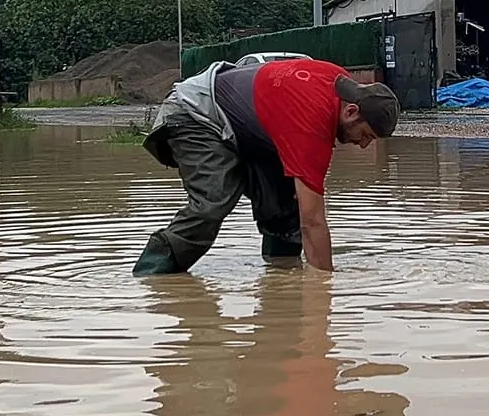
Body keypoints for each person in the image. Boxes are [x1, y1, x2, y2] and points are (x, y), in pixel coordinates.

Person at [132, 55, 400, 275]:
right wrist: (325, 288)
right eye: (365, 135)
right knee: (214, 200)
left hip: (247, 131)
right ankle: (150, 275)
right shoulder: (311, 120)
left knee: (286, 205)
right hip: (197, 113)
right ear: (351, 112)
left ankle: (281, 278)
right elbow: (313, 222)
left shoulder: (340, 84)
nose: (363, 145)